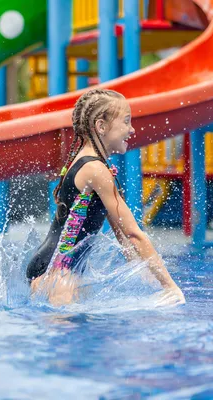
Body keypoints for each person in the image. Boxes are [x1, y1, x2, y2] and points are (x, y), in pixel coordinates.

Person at [26, 88, 185, 306]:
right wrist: (170, 287)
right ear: (101, 126)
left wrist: (140, 267)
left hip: (55, 267)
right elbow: (134, 234)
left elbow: (120, 230)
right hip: (59, 273)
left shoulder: (93, 164)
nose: (132, 129)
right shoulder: (95, 169)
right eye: (126, 121)